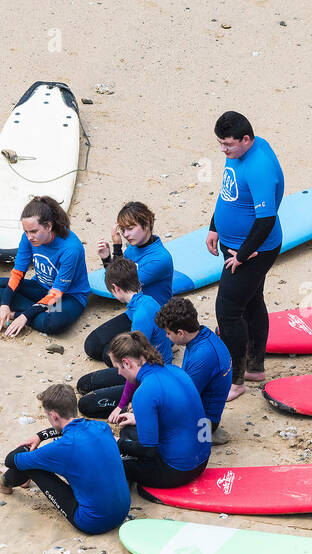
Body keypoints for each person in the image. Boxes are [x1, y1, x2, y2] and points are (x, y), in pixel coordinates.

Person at [0, 383, 130, 534]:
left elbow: (10, 460)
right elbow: (81, 425)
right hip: (122, 511)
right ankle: (21, 478)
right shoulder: (101, 428)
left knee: (31, 463)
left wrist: (28, 449)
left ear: (54, 416)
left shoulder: (62, 447)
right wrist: (40, 436)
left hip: (93, 522)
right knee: (48, 461)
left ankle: (2, 483)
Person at [204, 111, 284, 400]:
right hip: (236, 244)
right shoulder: (239, 152)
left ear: (246, 139)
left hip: (253, 250)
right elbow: (228, 192)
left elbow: (266, 220)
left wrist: (243, 255)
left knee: (227, 312)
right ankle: (255, 367)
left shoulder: (260, 166)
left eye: (227, 145)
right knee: (251, 303)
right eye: (220, 144)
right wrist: (215, 226)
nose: (223, 151)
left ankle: (236, 381)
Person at [107, 331, 211, 488]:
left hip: (178, 471)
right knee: (128, 431)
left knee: (115, 462)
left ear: (127, 363)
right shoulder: (175, 370)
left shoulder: (144, 392)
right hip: (203, 459)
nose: (119, 373)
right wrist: (137, 419)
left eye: (118, 368)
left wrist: (116, 443)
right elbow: (179, 413)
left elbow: (148, 450)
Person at [0, 196, 89, 337]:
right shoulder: (28, 237)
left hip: (67, 296)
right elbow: (18, 273)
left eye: (34, 231)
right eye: (26, 231)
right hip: (41, 288)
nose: (29, 236)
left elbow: (57, 293)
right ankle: (36, 310)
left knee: (54, 323)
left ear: (49, 226)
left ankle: (17, 314)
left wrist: (23, 316)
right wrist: (4, 305)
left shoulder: (71, 249)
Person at [75, 257, 171, 418]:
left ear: (115, 288)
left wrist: (122, 404)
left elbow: (134, 364)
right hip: (145, 365)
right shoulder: (145, 301)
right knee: (84, 384)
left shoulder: (141, 315)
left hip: (151, 374)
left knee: (86, 405)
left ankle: (135, 407)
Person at [154, 297, 233, 445]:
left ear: (180, 332)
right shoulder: (202, 334)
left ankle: (206, 436)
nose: (166, 336)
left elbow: (182, 401)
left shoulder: (202, 357)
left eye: (168, 333)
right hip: (201, 406)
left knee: (136, 431)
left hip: (204, 424)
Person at [96, 201, 173, 307]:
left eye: (130, 228)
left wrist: (117, 248)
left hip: (157, 316)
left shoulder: (159, 260)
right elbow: (115, 285)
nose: (126, 234)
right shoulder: (131, 249)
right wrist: (106, 258)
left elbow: (119, 288)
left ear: (146, 224)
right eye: (122, 230)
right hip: (136, 309)